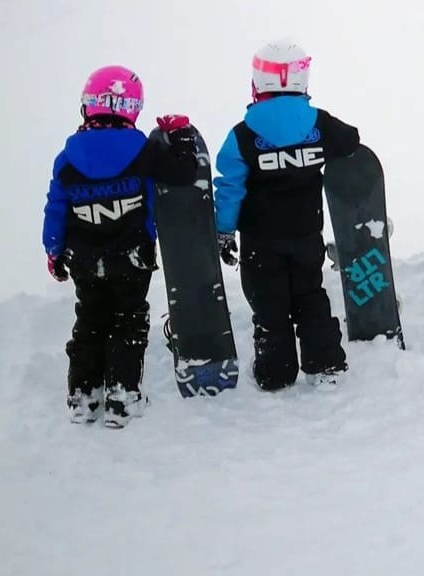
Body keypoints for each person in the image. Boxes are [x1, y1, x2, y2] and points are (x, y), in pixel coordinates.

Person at [43, 65, 197, 428]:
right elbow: (184, 173)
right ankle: (122, 398)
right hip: (132, 257)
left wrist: (53, 249)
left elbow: (56, 207)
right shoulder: (142, 151)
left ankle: (83, 397)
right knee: (128, 322)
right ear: (132, 107)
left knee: (90, 322)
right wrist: (182, 136)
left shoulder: (67, 158)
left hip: (82, 259)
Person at [214, 40, 359, 391]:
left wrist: (223, 229)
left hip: (260, 242)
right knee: (310, 294)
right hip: (307, 233)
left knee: (269, 305)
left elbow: (230, 187)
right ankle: (325, 364)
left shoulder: (242, 136)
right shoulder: (319, 125)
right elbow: (351, 140)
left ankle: (275, 373)